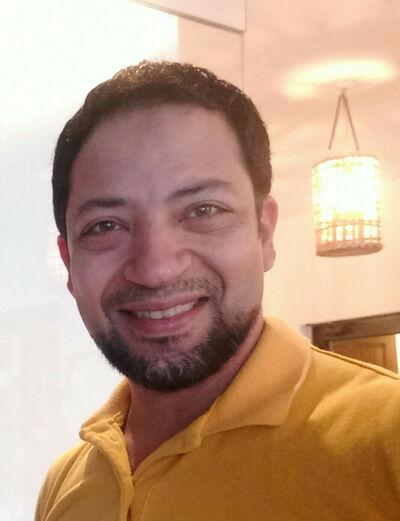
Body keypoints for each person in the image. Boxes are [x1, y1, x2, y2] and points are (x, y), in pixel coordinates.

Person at [36, 61, 400, 521]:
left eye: (203, 210)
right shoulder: (66, 482)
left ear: (264, 234)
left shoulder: (386, 437)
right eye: (106, 225)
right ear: (70, 263)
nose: (156, 269)